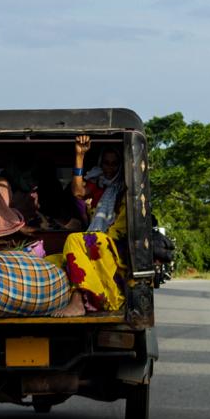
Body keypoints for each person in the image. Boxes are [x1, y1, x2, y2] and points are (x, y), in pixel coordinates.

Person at [52, 135, 128, 317]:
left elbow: (119, 231)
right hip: (95, 241)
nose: (109, 168)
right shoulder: (99, 183)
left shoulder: (125, 190)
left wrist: (94, 240)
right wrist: (80, 156)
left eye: (114, 164)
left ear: (121, 165)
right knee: (52, 261)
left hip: (112, 246)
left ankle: (78, 301)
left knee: (74, 239)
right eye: (106, 163)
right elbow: (78, 191)